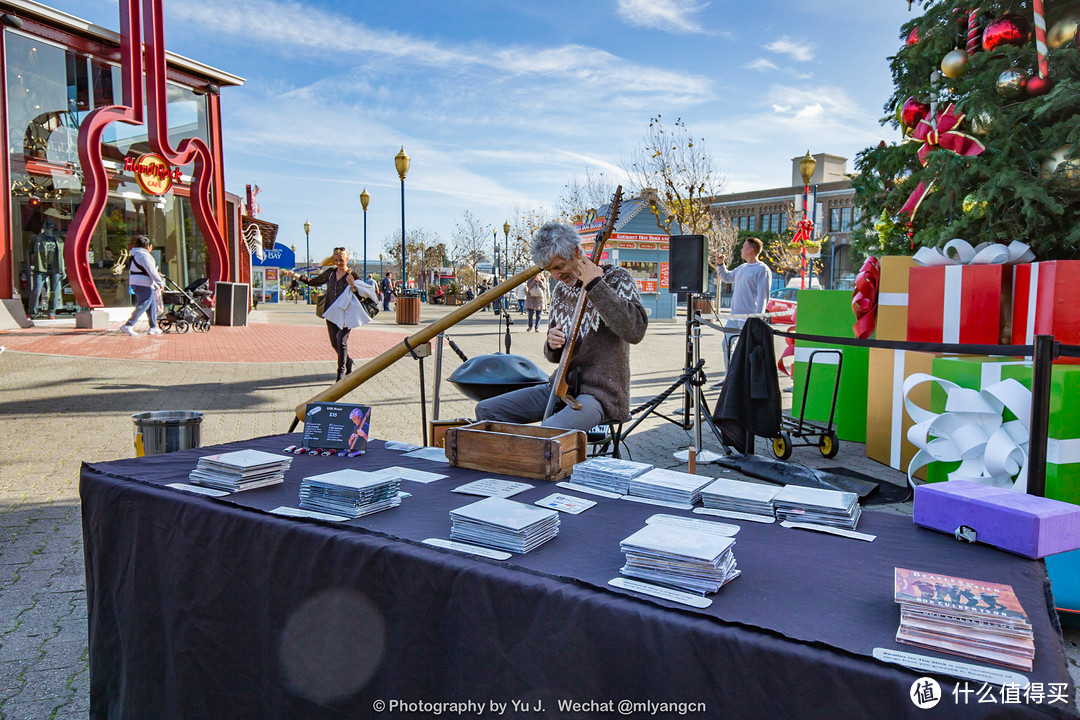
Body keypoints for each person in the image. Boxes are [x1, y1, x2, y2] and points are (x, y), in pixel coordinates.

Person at [475, 222, 648, 432]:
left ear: (576, 251)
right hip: (561, 386)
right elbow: (554, 356)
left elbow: (635, 330)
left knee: (549, 431)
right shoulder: (560, 292)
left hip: (602, 393)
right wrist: (552, 344)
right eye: (550, 271)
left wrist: (595, 285)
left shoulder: (615, 279)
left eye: (559, 267)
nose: (556, 276)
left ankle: (538, 459)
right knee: (487, 411)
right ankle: (510, 462)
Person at [286, 248, 377, 381]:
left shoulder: (352, 275)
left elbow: (360, 297)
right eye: (336, 260)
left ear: (347, 259)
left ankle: (340, 372)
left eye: (341, 260)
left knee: (341, 341)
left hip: (346, 313)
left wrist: (352, 285)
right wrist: (296, 276)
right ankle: (348, 361)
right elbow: (314, 282)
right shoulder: (330, 273)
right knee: (334, 343)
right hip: (332, 312)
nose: (338, 263)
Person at [715, 237, 771, 376]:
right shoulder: (742, 268)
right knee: (726, 344)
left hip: (749, 318)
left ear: (751, 250)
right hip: (734, 315)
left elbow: (763, 296)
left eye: (744, 247)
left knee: (748, 349)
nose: (741, 250)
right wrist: (720, 265)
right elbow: (727, 278)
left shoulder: (762, 269)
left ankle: (747, 380)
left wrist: (757, 318)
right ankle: (730, 377)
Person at [119, 234, 165, 336]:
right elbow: (151, 271)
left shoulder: (135, 254)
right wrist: (160, 282)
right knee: (143, 304)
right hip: (144, 283)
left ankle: (153, 326)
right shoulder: (144, 255)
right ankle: (128, 325)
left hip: (136, 281)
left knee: (152, 304)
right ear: (148, 246)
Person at [29, 218, 64, 319]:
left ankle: (52, 311)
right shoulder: (36, 239)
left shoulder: (58, 240)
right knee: (37, 289)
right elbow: (29, 252)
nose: (49, 230)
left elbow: (61, 256)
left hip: (55, 268)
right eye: (47, 228)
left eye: (50, 228)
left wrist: (62, 270)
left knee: (55, 290)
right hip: (41, 267)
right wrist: (30, 266)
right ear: (43, 228)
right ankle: (32, 312)